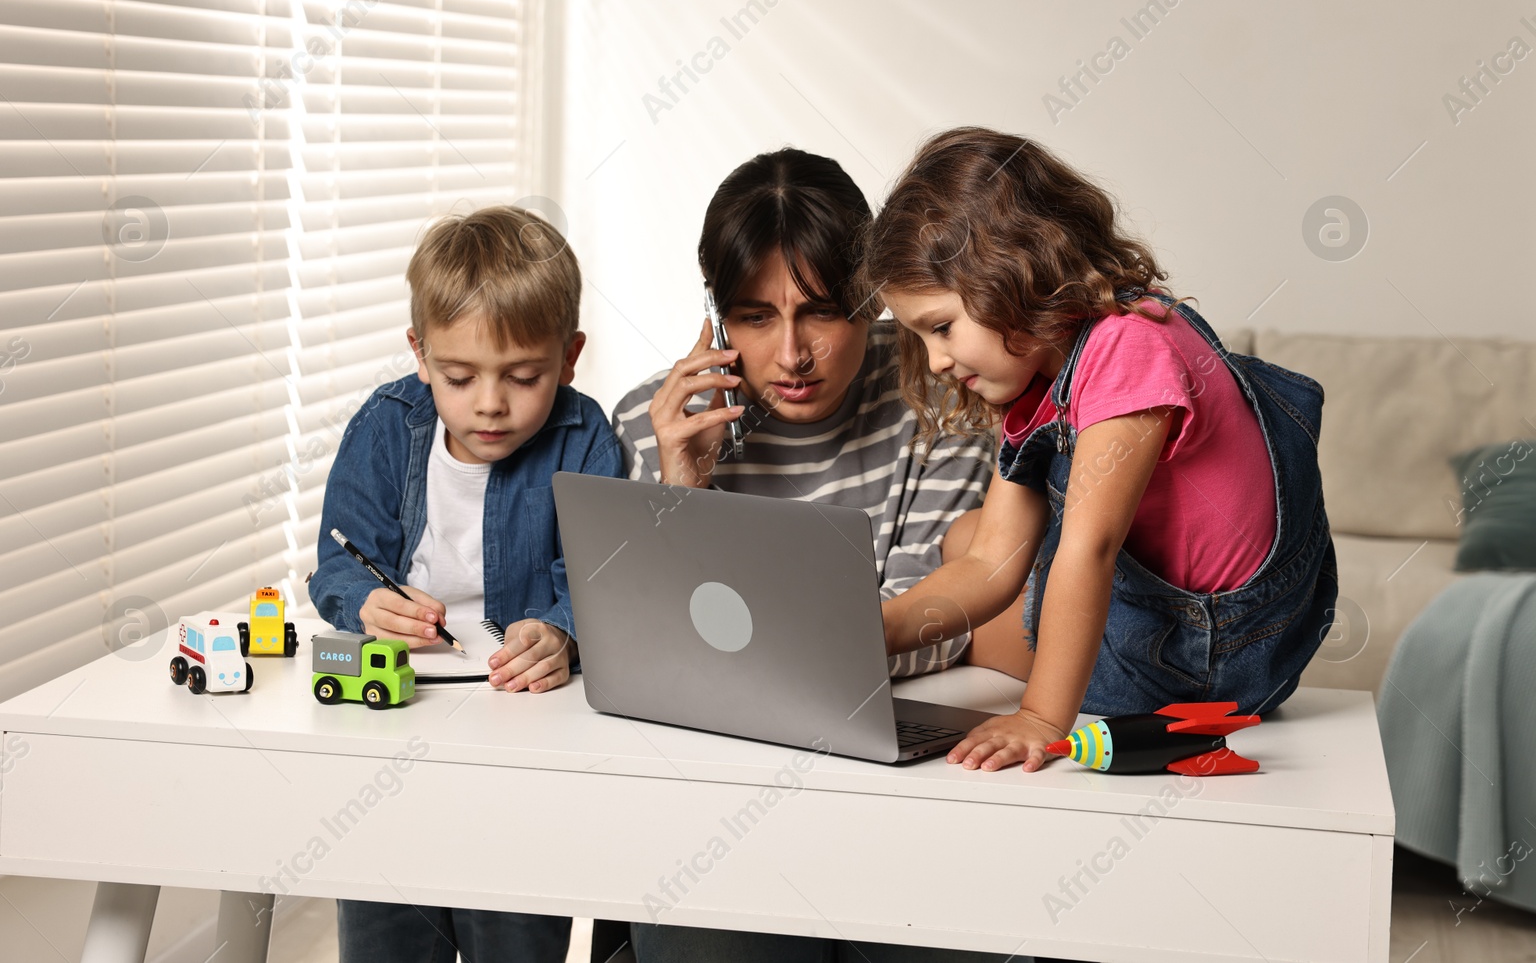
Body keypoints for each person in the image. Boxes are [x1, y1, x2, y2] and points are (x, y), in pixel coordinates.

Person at [608, 148, 1011, 963]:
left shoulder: (946, 389)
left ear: (872, 299)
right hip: (721, 789)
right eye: (756, 317)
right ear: (720, 317)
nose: (792, 354)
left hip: (905, 781)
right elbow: (657, 651)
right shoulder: (659, 421)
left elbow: (938, 618)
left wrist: (748, 644)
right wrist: (682, 486)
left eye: (820, 313)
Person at [860, 127, 1337, 776]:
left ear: (1009, 271)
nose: (936, 359)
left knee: (1050, 555)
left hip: (1218, 657)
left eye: (941, 327)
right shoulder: (1041, 377)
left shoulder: (1127, 345)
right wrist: (869, 630)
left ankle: (1028, 680)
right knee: (971, 537)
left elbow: (1091, 548)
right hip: (1174, 633)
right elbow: (991, 563)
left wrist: (1040, 718)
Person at [310, 205, 624, 962]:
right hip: (397, 721)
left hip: (520, 732)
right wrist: (365, 600)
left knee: (511, 928)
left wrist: (561, 630)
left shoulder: (584, 437)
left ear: (570, 356)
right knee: (388, 924)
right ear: (420, 354)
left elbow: (600, 577)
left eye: (523, 376)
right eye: (459, 376)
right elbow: (337, 563)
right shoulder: (385, 427)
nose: (489, 402)